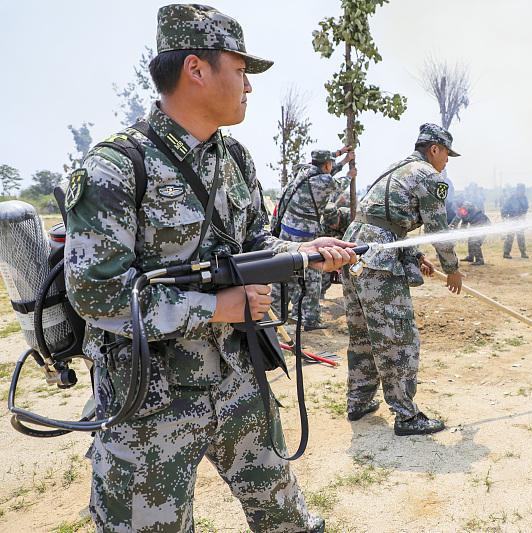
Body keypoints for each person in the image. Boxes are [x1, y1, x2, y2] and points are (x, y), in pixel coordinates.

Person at [64, 5, 356, 532]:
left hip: (238, 378)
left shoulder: (236, 159)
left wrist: (308, 249)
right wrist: (215, 307)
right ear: (196, 69)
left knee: (286, 517)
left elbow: (252, 244)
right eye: (241, 70)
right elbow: (96, 293)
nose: (249, 86)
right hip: (150, 403)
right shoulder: (116, 166)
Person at [341, 123, 465, 436]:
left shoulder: (395, 168)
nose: (447, 161)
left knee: (364, 334)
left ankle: (358, 400)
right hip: (378, 262)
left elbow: (388, 218)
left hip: (355, 251)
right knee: (398, 338)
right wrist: (452, 268)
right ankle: (407, 416)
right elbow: (438, 229)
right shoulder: (428, 176)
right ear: (434, 149)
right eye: (447, 154)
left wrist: (413, 257)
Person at [272, 147, 356, 330]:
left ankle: (277, 317)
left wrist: (340, 155)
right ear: (327, 165)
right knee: (312, 278)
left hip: (286, 233)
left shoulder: (304, 170)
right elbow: (337, 184)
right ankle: (309, 319)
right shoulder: (325, 181)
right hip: (305, 236)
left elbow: (325, 168)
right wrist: (349, 174)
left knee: (285, 274)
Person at [454, 200, 491, 265]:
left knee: (475, 242)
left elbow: (458, 219)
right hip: (477, 224)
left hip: (482, 224)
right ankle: (470, 257)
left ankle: (480, 260)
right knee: (471, 240)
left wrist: (454, 228)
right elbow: (464, 223)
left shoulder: (464, 207)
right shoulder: (464, 209)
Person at [502, 183, 529, 258]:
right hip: (512, 219)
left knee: (521, 236)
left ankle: (523, 253)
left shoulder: (524, 198)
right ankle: (506, 253)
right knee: (510, 236)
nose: (523, 191)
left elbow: (526, 207)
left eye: (524, 190)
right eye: (522, 190)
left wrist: (523, 215)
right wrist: (505, 217)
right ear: (518, 190)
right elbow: (504, 208)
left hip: (520, 220)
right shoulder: (511, 198)